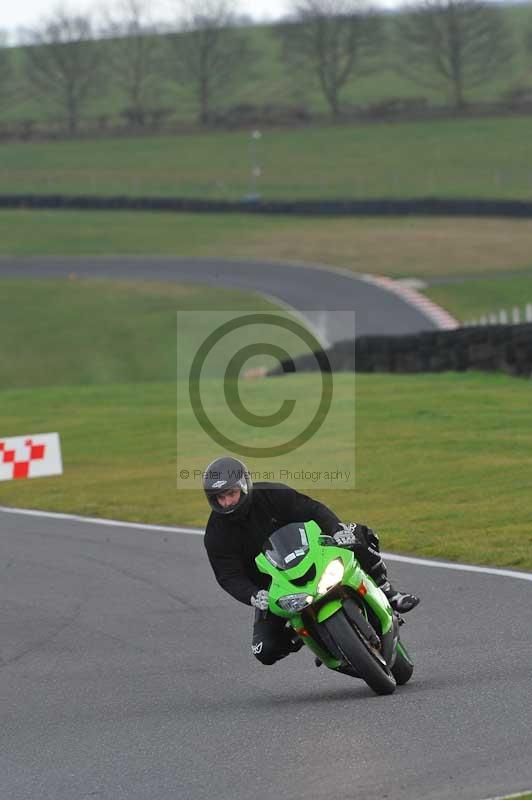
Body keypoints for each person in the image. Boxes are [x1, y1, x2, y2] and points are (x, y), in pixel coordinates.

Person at [203, 455, 419, 667]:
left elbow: (312, 509)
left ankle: (388, 591)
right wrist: (252, 594)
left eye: (231, 494)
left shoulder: (272, 494)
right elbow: (228, 576)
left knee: (355, 534)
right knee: (264, 650)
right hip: (275, 589)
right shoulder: (215, 534)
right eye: (219, 498)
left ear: (245, 486)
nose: (227, 502)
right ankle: (313, 636)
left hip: (314, 557)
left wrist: (336, 530)